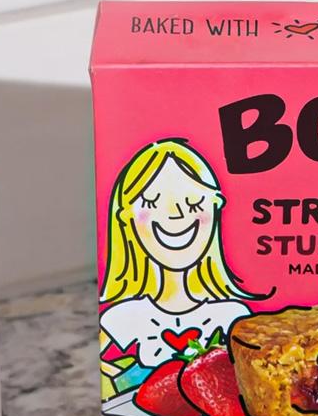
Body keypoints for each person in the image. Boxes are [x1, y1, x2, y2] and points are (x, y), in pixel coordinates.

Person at [99, 138, 262, 398]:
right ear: (126, 218)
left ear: (216, 208)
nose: (175, 215)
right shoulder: (124, 316)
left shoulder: (231, 314)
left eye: (194, 204)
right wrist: (124, 381)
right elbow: (103, 370)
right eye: (152, 203)